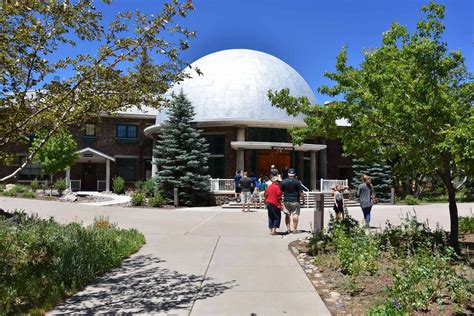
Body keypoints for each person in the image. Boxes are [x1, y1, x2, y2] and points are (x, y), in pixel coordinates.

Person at [280, 168, 304, 233]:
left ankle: (288, 229)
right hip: (295, 200)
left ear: (288, 174)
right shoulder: (297, 182)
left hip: (286, 200)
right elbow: (301, 192)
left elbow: (281, 192)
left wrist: (280, 200)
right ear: (294, 174)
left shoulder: (284, 181)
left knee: (287, 214)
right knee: (295, 214)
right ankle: (294, 229)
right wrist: (303, 199)